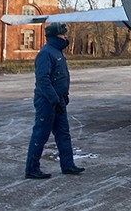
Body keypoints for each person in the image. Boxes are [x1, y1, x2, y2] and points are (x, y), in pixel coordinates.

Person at [25, 22, 86, 179]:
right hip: (47, 101)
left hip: (59, 100)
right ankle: (32, 168)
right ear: (54, 37)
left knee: (63, 134)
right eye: (62, 35)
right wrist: (53, 100)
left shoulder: (57, 52)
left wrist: (63, 96)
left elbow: (59, 77)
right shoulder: (46, 53)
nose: (65, 38)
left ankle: (68, 165)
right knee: (41, 134)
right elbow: (43, 80)